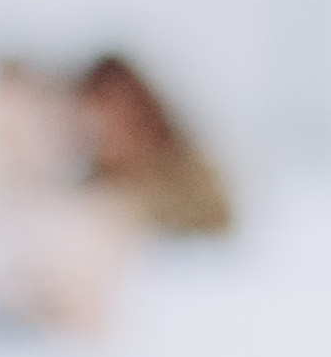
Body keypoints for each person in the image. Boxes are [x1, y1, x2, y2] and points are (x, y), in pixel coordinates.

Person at [74, 49, 240, 239]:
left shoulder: (190, 170)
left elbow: (219, 227)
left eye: (124, 112)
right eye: (102, 115)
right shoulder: (87, 189)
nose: (115, 125)